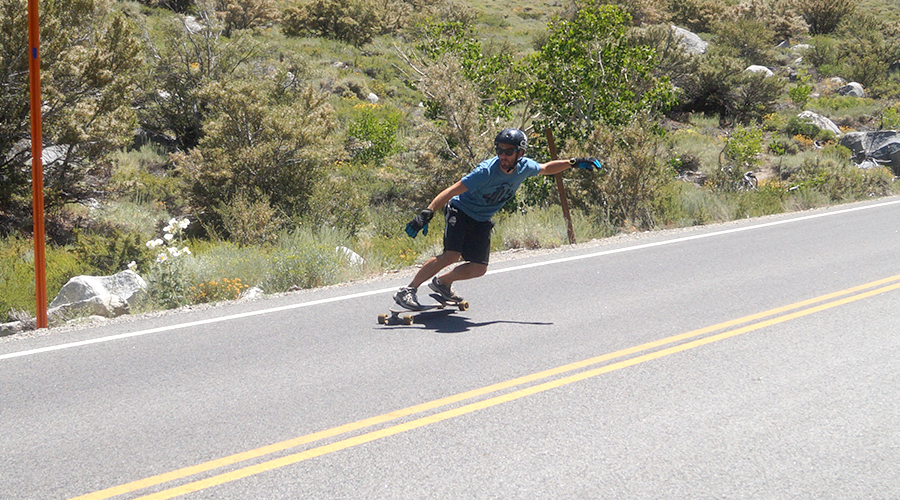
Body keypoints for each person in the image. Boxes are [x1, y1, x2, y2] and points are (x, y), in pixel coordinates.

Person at [393, 128, 601, 310]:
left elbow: (546, 168)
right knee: (451, 255)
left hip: (482, 219)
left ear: (520, 153)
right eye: (499, 150)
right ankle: (408, 290)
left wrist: (573, 163)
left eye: (508, 152)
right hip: (461, 210)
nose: (503, 155)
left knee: (479, 268)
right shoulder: (485, 172)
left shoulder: (525, 167)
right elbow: (451, 191)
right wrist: (427, 213)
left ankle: (442, 283)